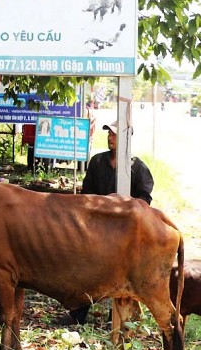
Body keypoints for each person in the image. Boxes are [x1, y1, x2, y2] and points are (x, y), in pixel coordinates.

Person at [65, 119, 154, 325]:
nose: (110, 137)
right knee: (87, 270)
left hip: (124, 232)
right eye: (109, 134)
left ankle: (114, 319)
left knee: (121, 273)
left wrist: (122, 204)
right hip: (96, 228)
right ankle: (77, 315)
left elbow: (144, 202)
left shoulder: (138, 168)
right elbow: (86, 195)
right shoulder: (97, 162)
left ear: (126, 139)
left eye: (114, 135)